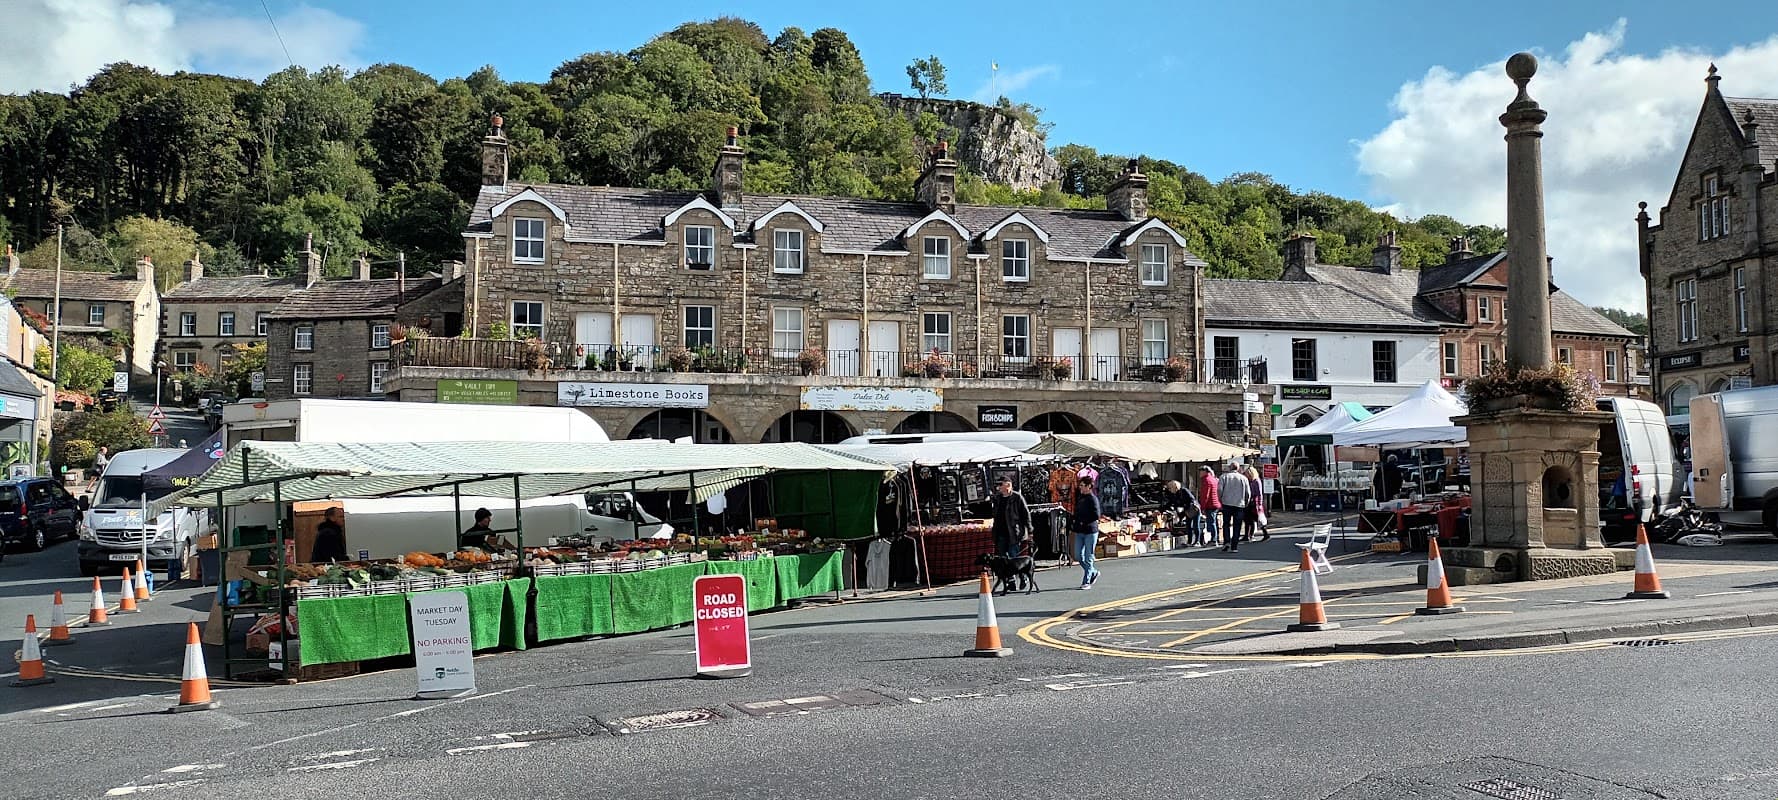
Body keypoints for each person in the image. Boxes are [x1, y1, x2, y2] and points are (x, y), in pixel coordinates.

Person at [1072, 474, 1102, 589]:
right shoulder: (1080, 497)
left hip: (1090, 530)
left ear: (1089, 486)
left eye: (1083, 486)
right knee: (1078, 555)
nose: (1081, 488)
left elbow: (1096, 515)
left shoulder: (1092, 499)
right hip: (1080, 531)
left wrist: (1084, 521)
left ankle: (1087, 580)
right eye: (1080, 486)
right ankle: (1093, 572)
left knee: (1088, 556)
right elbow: (1077, 512)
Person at [989, 477, 1031, 559]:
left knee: (1013, 559)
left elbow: (1026, 515)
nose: (998, 487)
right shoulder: (997, 498)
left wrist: (1030, 531)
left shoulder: (1017, 497)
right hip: (1000, 533)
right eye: (997, 484)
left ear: (1008, 485)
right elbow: (995, 515)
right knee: (1002, 560)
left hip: (1014, 533)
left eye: (1000, 484)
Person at [1217, 463, 1250, 552]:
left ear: (1230, 468)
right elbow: (1248, 493)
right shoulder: (1243, 478)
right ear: (1238, 468)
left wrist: (1221, 499)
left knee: (1226, 524)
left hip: (1226, 503)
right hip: (1239, 504)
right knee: (1237, 525)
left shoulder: (1224, 477)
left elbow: (1219, 489)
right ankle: (1234, 546)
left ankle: (1227, 541)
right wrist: (1246, 502)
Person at [1161, 479, 1197, 544]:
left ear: (1175, 487)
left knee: (1195, 525)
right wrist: (1162, 509)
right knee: (1188, 526)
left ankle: (1197, 541)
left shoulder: (1184, 491)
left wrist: (1186, 506)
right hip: (1185, 510)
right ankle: (1190, 542)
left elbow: (1192, 499)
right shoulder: (1173, 494)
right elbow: (1170, 503)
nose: (1169, 490)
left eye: (1170, 488)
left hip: (1193, 509)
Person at [1197, 465, 1222, 547]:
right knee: (1214, 522)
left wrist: (1202, 507)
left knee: (1211, 522)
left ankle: (1214, 539)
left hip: (1210, 504)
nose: (1199, 473)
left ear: (1205, 472)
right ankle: (1216, 538)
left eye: (1200, 471)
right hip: (1216, 503)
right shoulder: (1214, 479)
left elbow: (1205, 495)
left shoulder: (1206, 480)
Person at [1243, 465, 1269, 541]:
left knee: (1258, 519)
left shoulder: (1256, 481)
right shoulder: (1249, 481)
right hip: (1249, 502)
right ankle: (1247, 535)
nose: (1246, 475)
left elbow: (1259, 493)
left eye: (1247, 473)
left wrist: (1260, 504)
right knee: (1247, 519)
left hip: (1255, 503)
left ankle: (1265, 534)